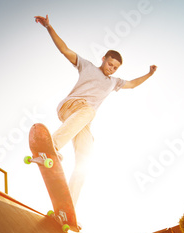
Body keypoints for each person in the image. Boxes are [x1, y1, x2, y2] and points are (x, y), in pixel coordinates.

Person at [34, 14, 157, 205]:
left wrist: (149, 74)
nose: (111, 69)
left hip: (82, 121)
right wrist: (49, 27)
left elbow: (132, 84)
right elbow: (64, 50)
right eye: (109, 64)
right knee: (89, 111)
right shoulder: (87, 66)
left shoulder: (114, 82)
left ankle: (68, 207)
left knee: (85, 159)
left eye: (115, 68)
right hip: (71, 107)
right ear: (103, 59)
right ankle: (52, 147)